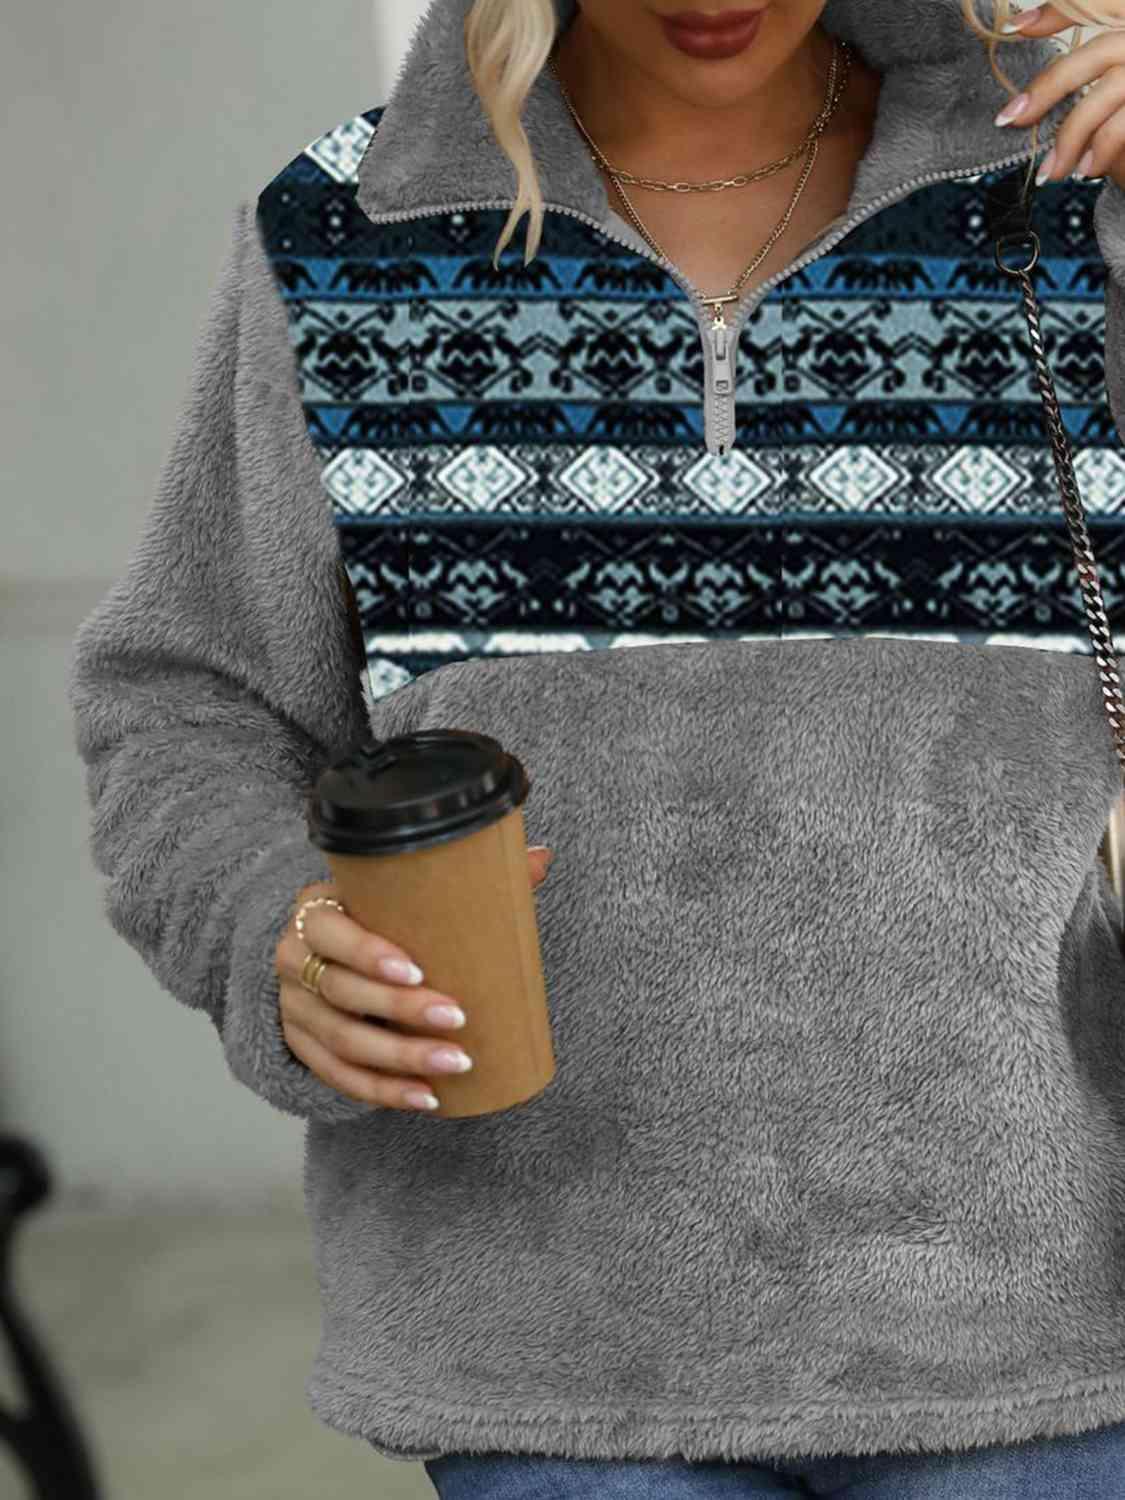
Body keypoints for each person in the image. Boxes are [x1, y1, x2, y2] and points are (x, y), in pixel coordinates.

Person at [66, 0, 1125, 1493]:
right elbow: (184, 698)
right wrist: (271, 929)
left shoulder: (1073, 191)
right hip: (542, 1349)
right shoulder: (350, 235)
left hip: (1054, 1326)